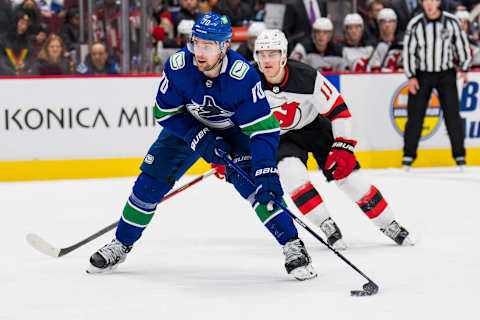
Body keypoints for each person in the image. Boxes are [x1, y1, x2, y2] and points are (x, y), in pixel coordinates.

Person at [87, 13, 317, 281]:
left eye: (208, 45)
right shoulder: (178, 66)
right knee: (148, 185)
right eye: (196, 43)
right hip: (187, 129)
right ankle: (121, 243)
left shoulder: (243, 76)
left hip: (234, 133)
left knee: (258, 188)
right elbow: (165, 113)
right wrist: (200, 138)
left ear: (224, 46)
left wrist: (266, 169)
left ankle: (292, 244)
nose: (200, 51)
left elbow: (263, 128)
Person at [238, 29, 413, 248]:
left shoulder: (306, 76)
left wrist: (343, 146)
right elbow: (232, 118)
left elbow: (339, 110)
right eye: (262, 55)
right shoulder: (247, 82)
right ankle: (326, 224)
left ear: (284, 55)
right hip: (282, 139)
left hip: (315, 129)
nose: (267, 60)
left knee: (349, 177)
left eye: (272, 54)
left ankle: (389, 223)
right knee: (293, 175)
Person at [402, 0, 471, 169]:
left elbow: (461, 44)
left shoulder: (451, 21)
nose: (429, 5)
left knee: (452, 115)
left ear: (438, 2)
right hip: (422, 75)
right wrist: (411, 76)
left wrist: (464, 67)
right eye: (426, 1)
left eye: (433, 0)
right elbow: (408, 51)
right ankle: (408, 156)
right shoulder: (416, 23)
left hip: (446, 74)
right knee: (415, 116)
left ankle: (460, 155)